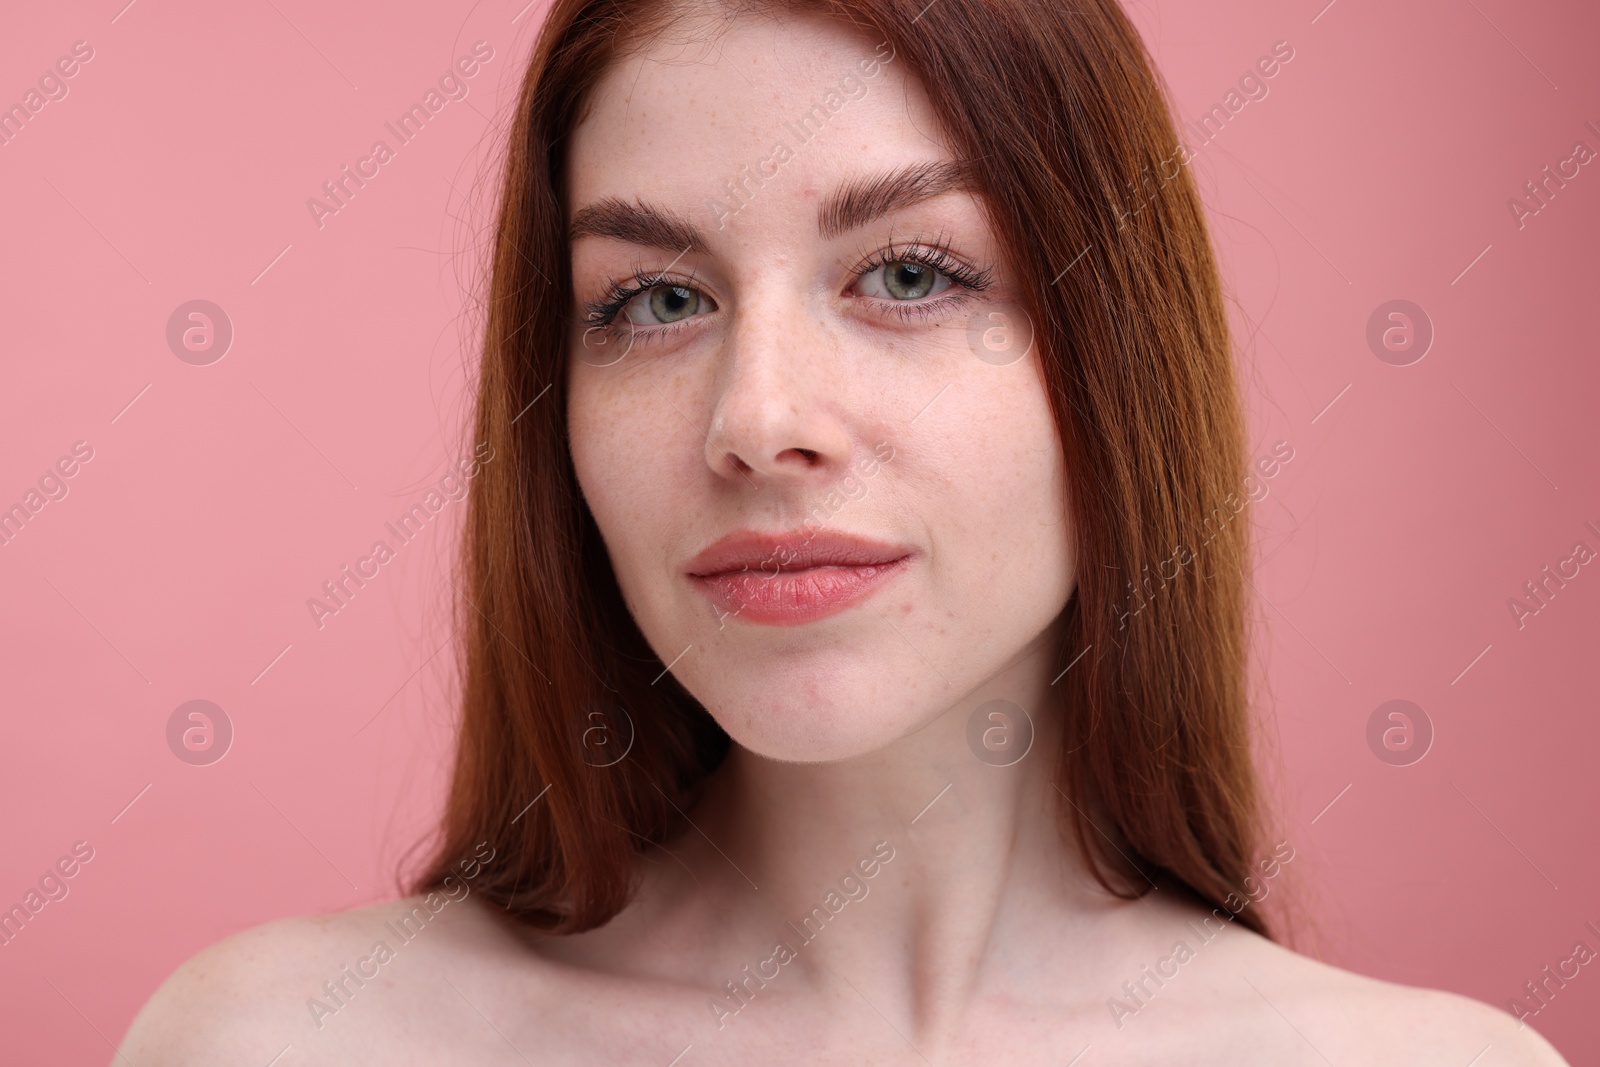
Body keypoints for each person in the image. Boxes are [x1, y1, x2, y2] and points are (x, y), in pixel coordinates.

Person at [118, 0, 1570, 1062]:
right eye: (655, 299)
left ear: (1118, 355)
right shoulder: (281, 1045)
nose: (757, 418)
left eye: (913, 272)